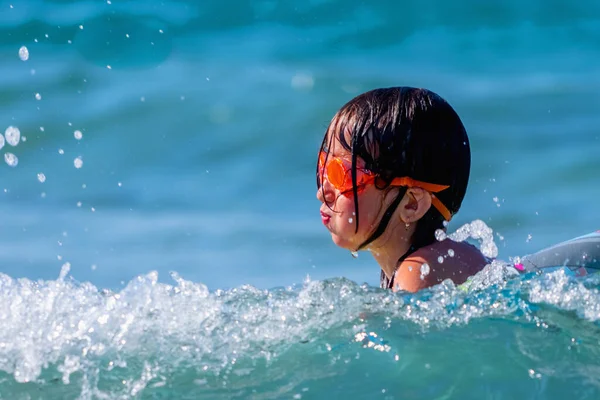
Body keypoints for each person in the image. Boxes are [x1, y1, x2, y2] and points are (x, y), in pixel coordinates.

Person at [316, 87, 488, 292]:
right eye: (324, 168)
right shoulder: (424, 264)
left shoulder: (417, 272)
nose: (323, 192)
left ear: (411, 204)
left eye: (343, 174)